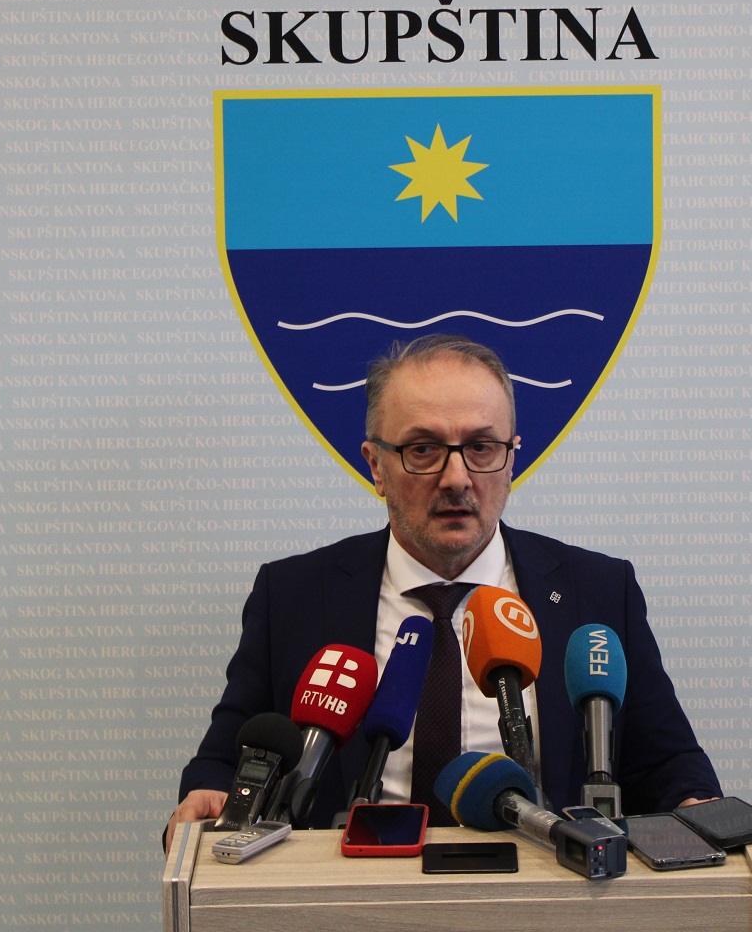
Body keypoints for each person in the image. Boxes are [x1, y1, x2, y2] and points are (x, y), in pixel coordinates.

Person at [164, 335, 719, 848]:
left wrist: (695, 806)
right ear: (376, 466)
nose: (457, 478)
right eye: (424, 449)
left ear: (512, 458)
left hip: (546, 892)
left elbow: (667, 766)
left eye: (481, 447)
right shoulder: (292, 595)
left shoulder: (596, 590)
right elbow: (229, 758)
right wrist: (208, 797)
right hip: (353, 895)